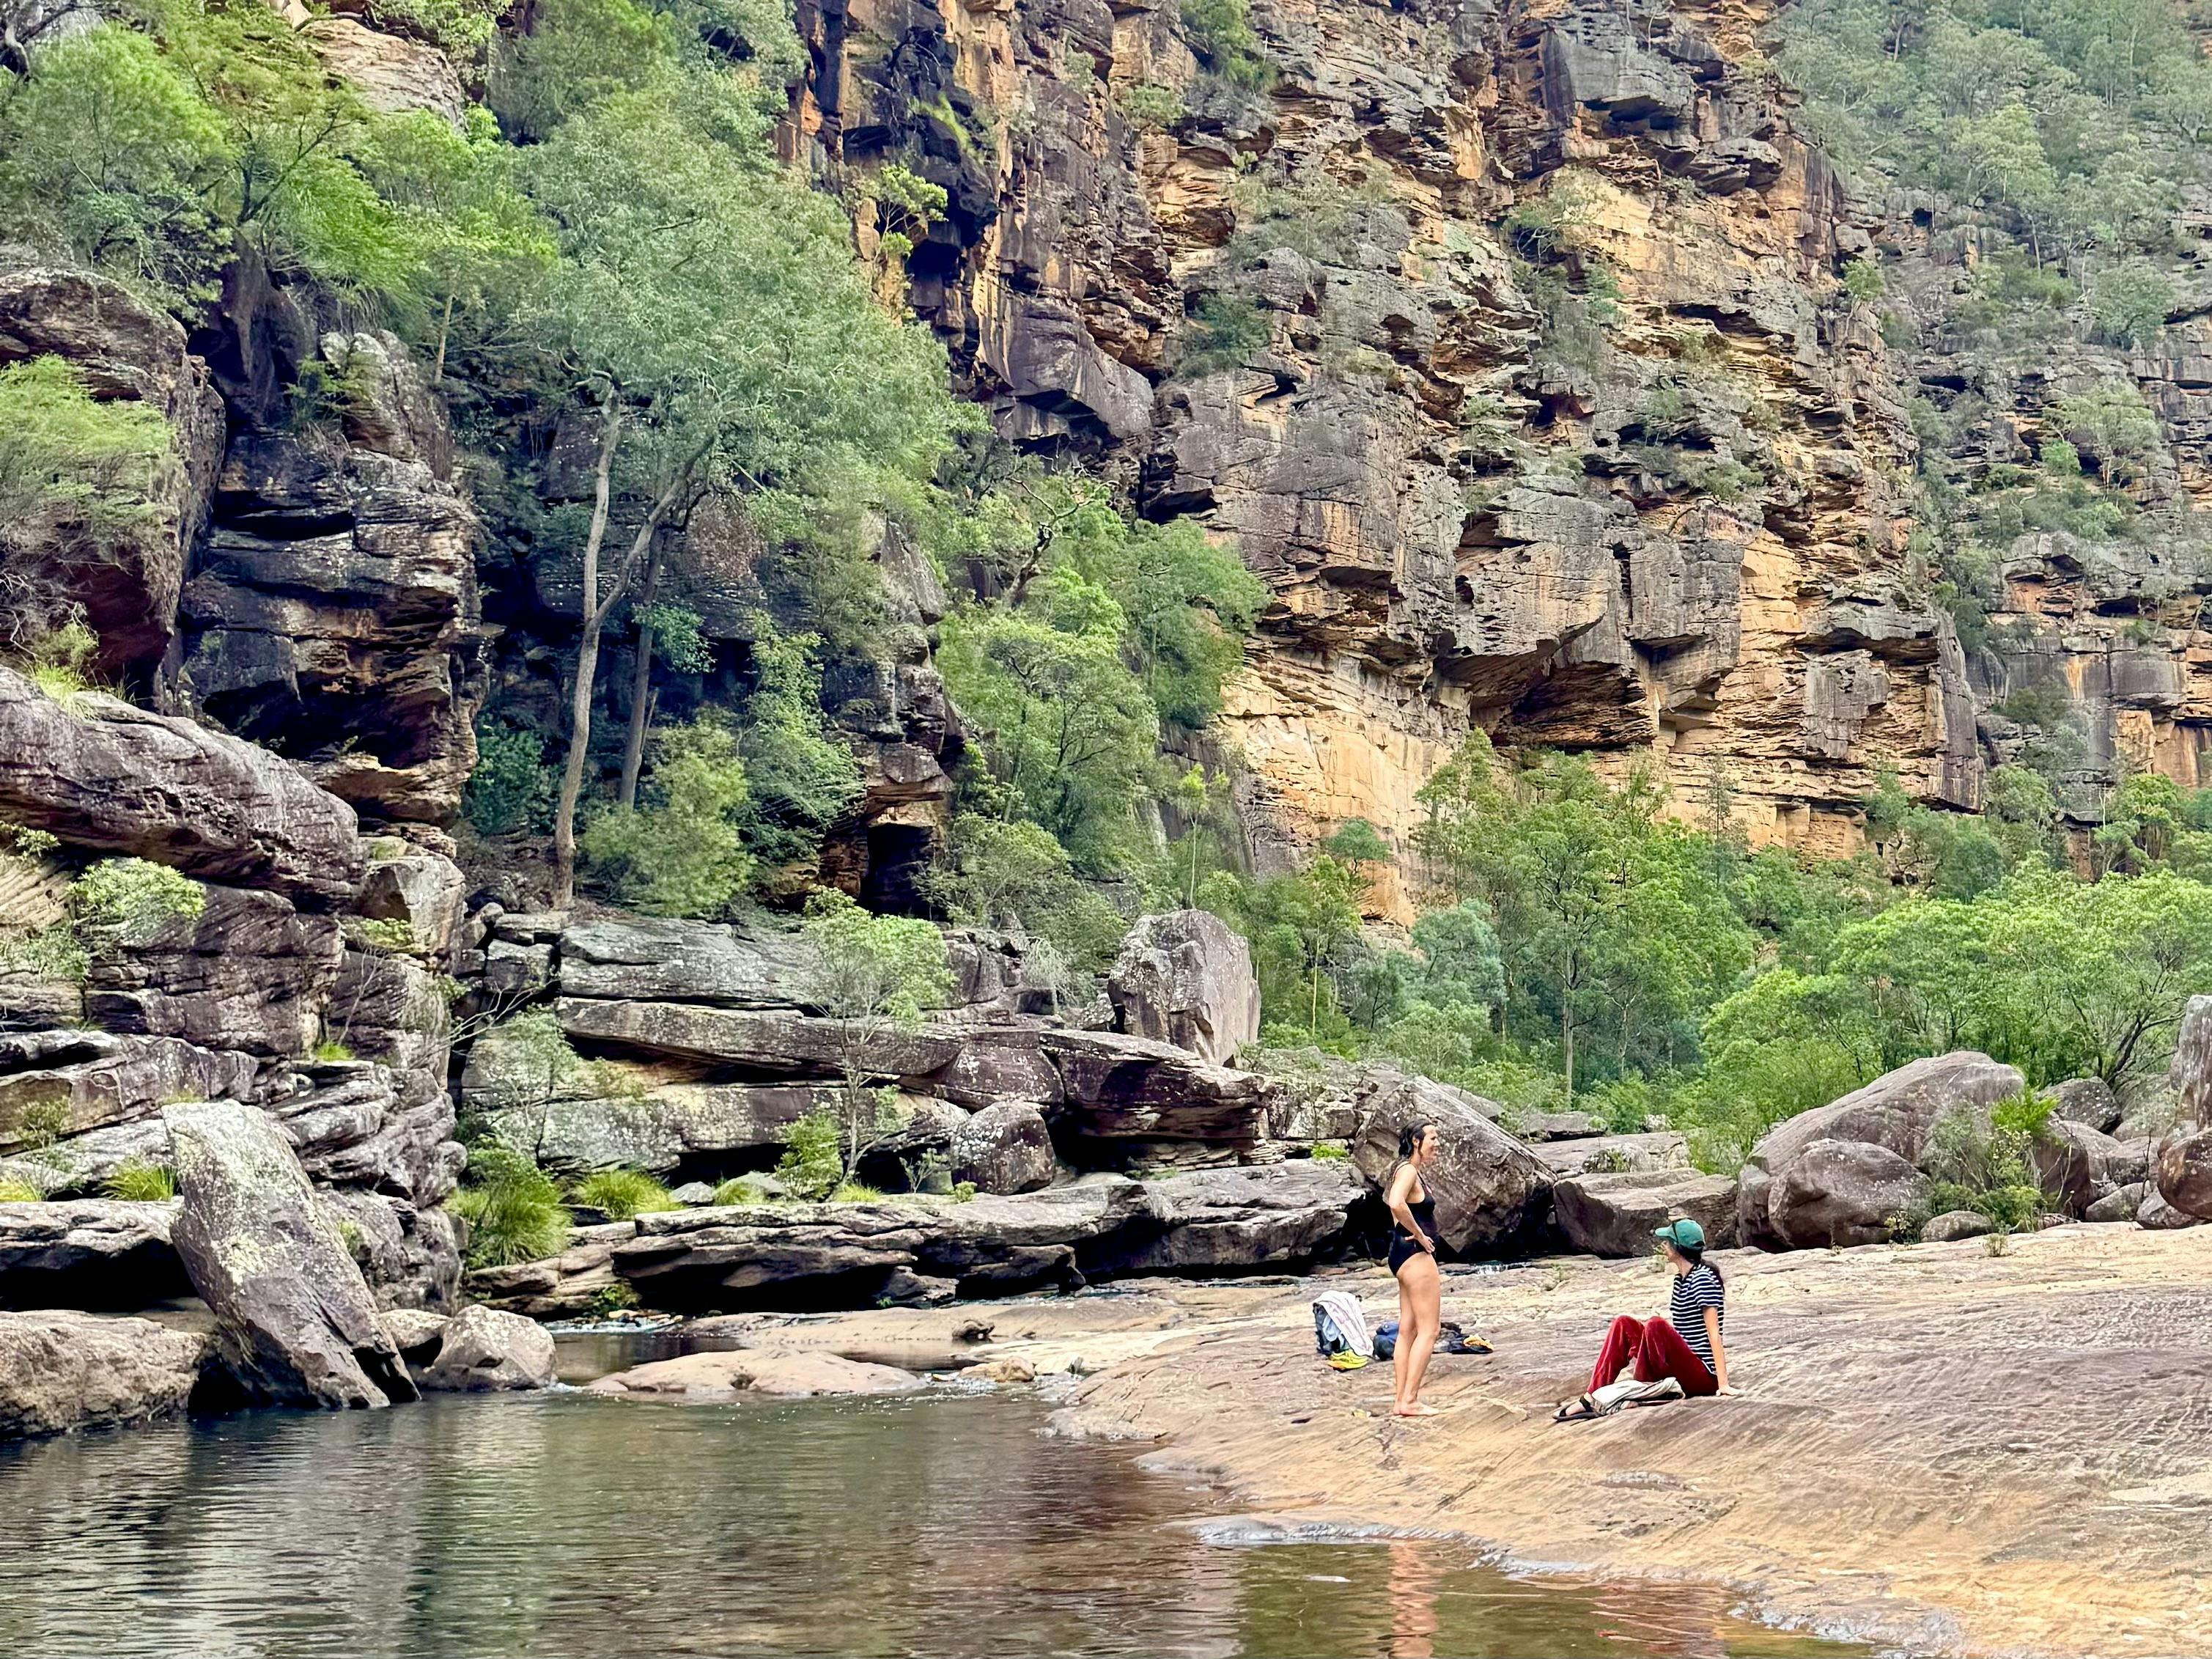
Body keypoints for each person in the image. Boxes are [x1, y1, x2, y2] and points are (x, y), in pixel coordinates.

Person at [1562, 1218, 1730, 1418]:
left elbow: (1714, 1334)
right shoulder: (1681, 1279)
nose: (1664, 1245)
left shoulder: (1703, 1278)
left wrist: (1723, 1384)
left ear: (1679, 1247)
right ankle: (1591, 1397)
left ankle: (1639, 1392)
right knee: (1623, 1324)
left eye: (1668, 1241)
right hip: (1681, 1366)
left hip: (1702, 1376)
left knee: (1656, 1325)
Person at [1384, 1122, 1444, 1417]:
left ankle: (1400, 1401)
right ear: (1416, 1141)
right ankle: (1410, 1400)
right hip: (1415, 1255)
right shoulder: (1408, 1170)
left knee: (1407, 1329)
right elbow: (1395, 1203)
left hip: (1399, 1254)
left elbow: (1396, 1202)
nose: (1437, 1143)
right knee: (1430, 1329)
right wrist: (1420, 1235)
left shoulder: (1402, 1169)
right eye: (1432, 1138)